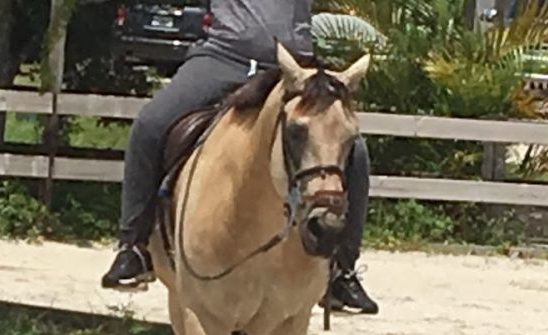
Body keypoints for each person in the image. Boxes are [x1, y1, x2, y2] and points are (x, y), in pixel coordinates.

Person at [100, 0, 379, 314]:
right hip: (224, 56)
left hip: (295, 66)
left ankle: (342, 270)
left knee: (355, 152)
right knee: (150, 125)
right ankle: (134, 246)